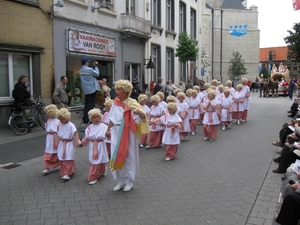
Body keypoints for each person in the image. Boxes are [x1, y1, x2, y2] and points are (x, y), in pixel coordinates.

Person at [105, 79, 149, 192]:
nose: (117, 91)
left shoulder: (132, 103)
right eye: (117, 89)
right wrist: (108, 129)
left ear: (126, 91)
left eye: (119, 90)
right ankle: (121, 180)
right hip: (116, 132)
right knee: (117, 155)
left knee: (129, 156)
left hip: (128, 132)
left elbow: (143, 117)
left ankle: (129, 180)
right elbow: (111, 118)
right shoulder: (115, 102)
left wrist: (140, 113)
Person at [81, 109, 109, 185]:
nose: (96, 119)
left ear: (100, 117)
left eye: (97, 117)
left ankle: (93, 176)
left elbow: (109, 135)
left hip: (101, 145)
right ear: (91, 118)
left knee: (99, 159)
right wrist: (82, 143)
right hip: (93, 146)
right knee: (94, 160)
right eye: (94, 117)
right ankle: (101, 170)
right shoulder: (89, 127)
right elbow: (87, 137)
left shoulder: (104, 126)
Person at [55, 108, 81, 180]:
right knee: (62, 158)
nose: (61, 120)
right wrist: (56, 143)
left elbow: (75, 135)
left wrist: (78, 143)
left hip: (69, 144)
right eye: (60, 119)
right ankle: (65, 171)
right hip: (62, 143)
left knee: (68, 158)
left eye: (62, 119)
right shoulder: (59, 125)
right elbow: (57, 134)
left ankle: (68, 173)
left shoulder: (71, 126)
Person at [80, 57, 100, 124]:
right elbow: (97, 74)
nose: (88, 63)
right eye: (88, 62)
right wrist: (96, 66)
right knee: (91, 105)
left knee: (87, 104)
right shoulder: (89, 69)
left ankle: (85, 118)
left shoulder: (81, 70)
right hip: (92, 89)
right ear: (86, 62)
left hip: (86, 90)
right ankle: (90, 118)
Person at [42, 104, 60, 174]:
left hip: (55, 138)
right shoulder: (48, 121)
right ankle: (46, 167)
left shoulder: (57, 121)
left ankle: (61, 163)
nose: (47, 115)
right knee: (48, 153)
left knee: (57, 152)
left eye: (48, 113)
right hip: (49, 139)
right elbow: (47, 130)